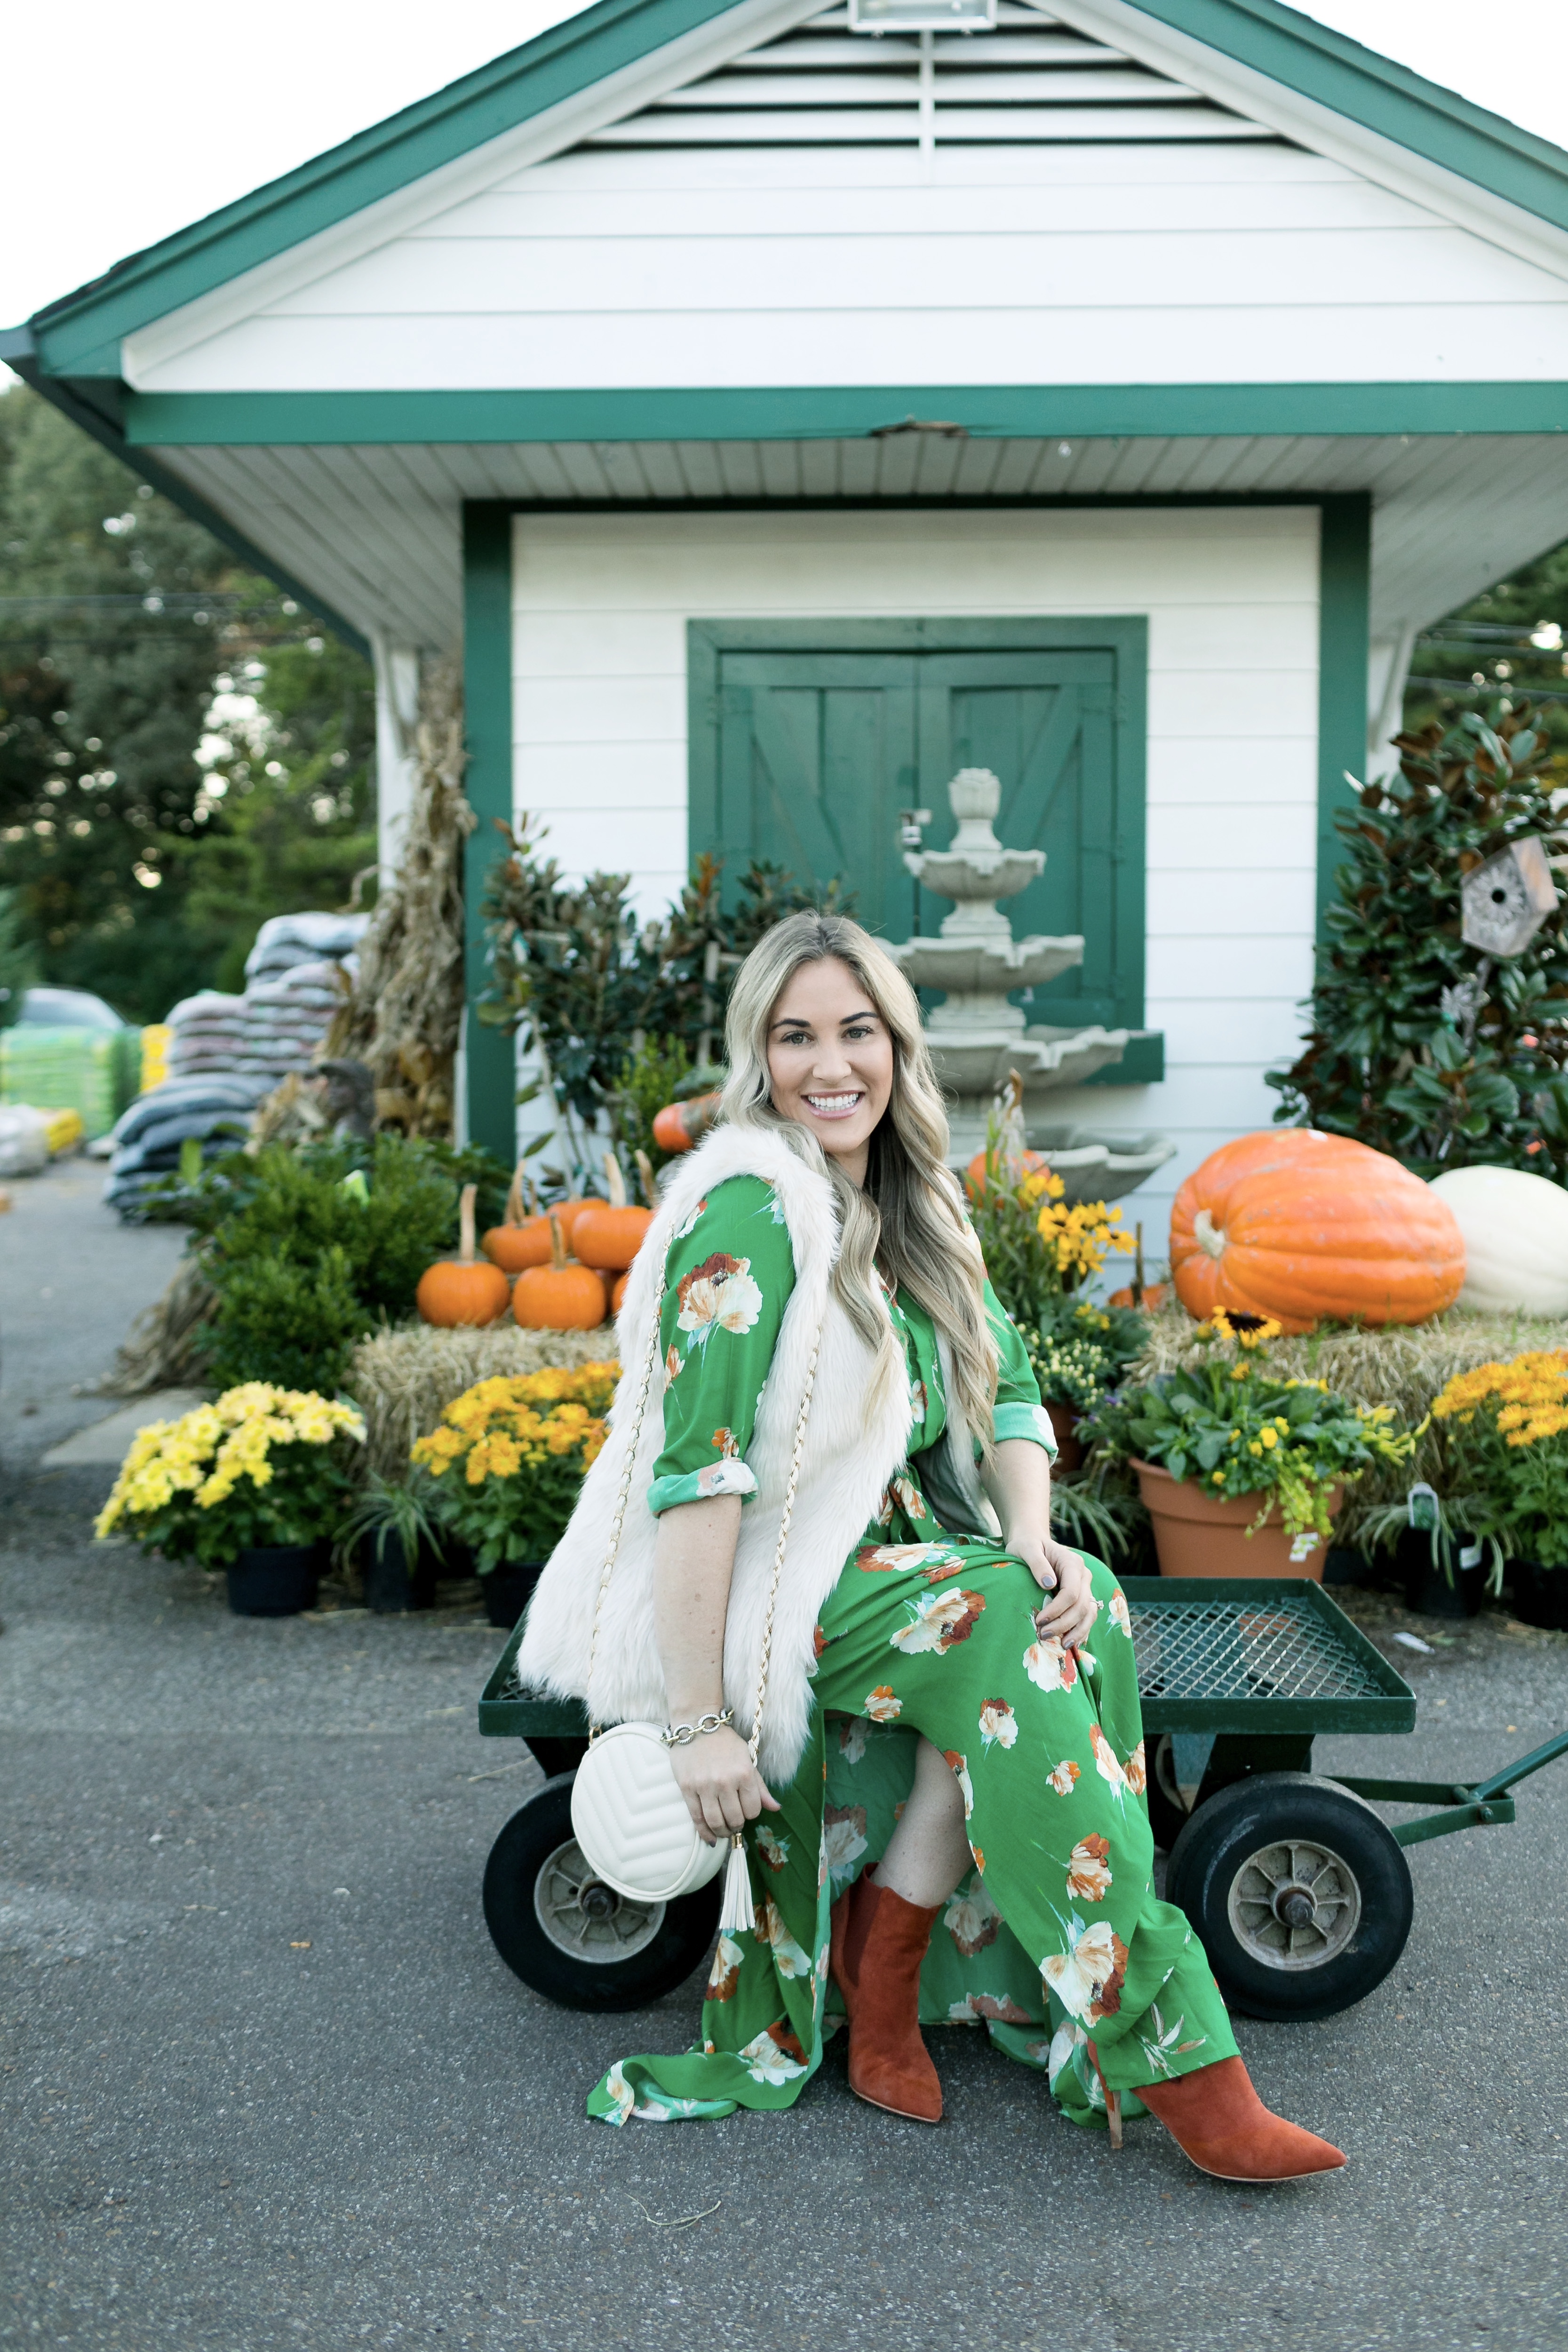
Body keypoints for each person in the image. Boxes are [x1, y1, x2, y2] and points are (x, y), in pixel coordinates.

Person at [518, 912, 1345, 2179]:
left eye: (857, 1031)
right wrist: (698, 1719)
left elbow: (1008, 1391)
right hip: (770, 1580)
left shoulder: (913, 1201)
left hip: (896, 1555)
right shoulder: (749, 1213)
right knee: (1000, 1628)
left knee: (1075, 1604)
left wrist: (1031, 1535)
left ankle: (886, 1967)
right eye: (795, 1037)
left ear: (897, 1048)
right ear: (759, 1057)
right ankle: (1176, 2055)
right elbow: (698, 1482)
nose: (829, 1065)